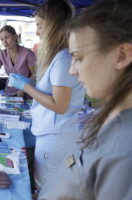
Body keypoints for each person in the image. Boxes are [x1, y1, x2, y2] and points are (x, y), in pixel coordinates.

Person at [38, 0, 132, 199]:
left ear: (122, 55)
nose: (72, 70)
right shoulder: (111, 119)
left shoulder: (124, 148)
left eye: (78, 58)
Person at [9, 0, 85, 190]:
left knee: (46, 187)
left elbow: (60, 105)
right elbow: (53, 90)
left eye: (40, 26)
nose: (37, 31)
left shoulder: (63, 59)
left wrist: (26, 87)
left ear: (54, 26)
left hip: (57, 135)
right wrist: (31, 84)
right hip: (55, 132)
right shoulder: (59, 56)